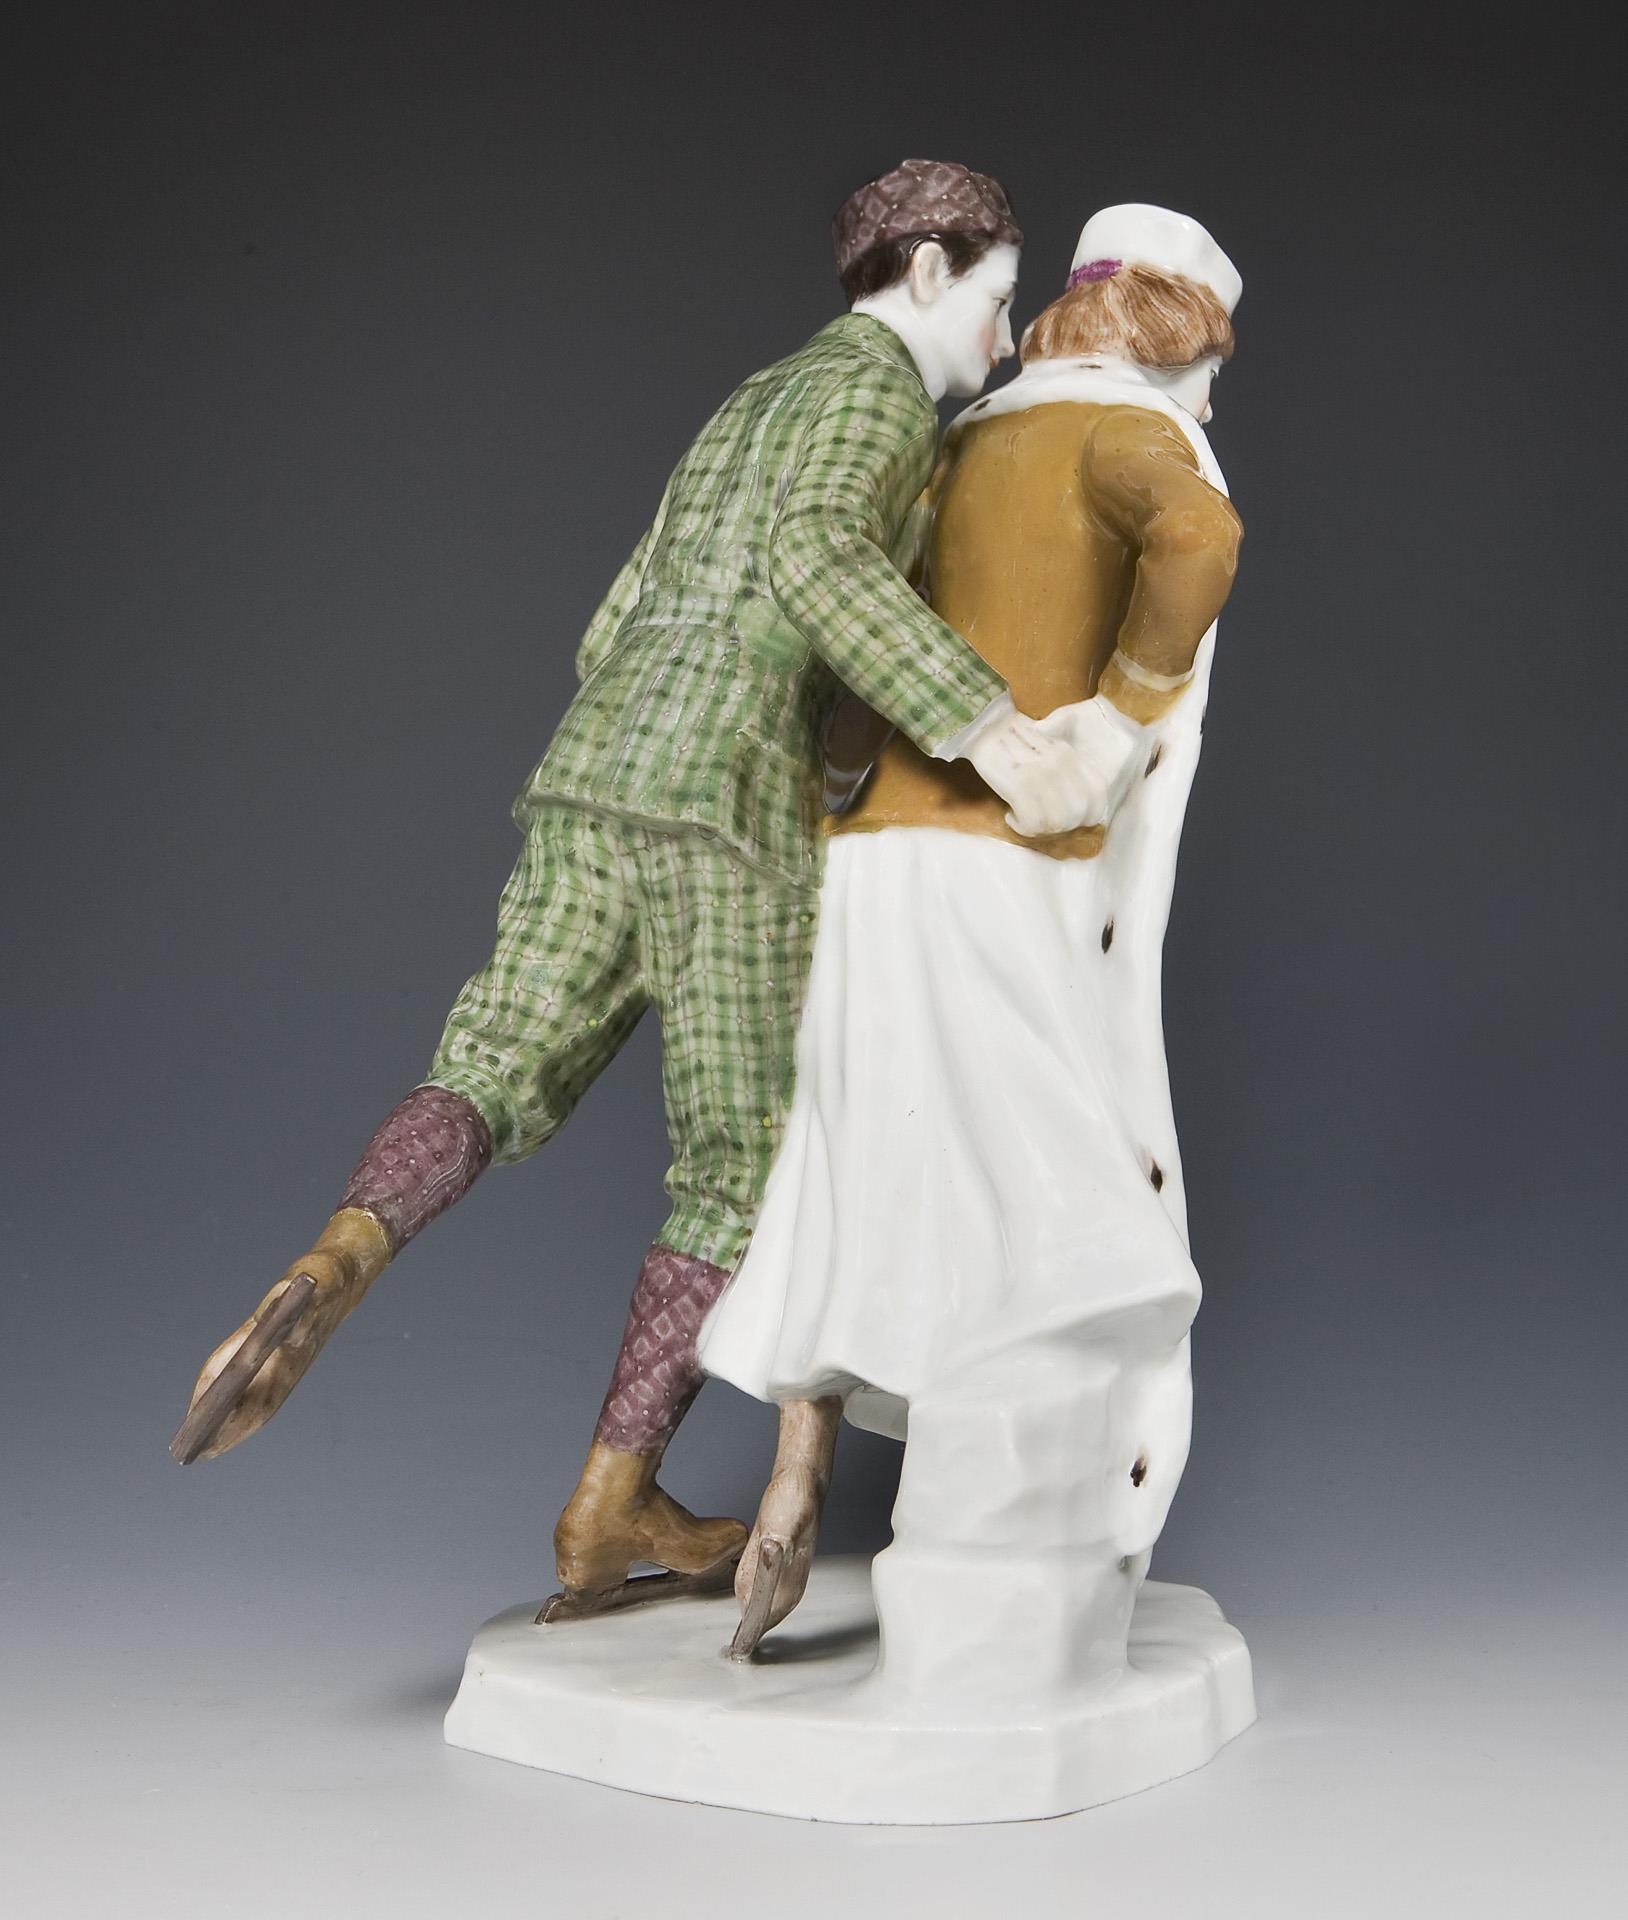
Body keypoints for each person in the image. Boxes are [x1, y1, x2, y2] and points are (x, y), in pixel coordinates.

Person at [173, 161, 1108, 1619]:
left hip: (595, 768)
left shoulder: (749, 400)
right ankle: (609, 1498)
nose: (1001, 336)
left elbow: (615, 617)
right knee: (744, 1169)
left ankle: (338, 1254)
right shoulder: (878, 400)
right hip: (724, 812)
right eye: (996, 299)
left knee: (488, 1061)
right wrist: (990, 729)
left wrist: (816, 716)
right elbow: (815, 556)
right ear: (929, 275)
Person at [699, 205, 1245, 1687]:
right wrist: (1114, 723)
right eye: (1212, 364)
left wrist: (842, 775)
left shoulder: (959, 439)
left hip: (870, 860)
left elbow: (858, 633)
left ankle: (797, 1483)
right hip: (1004, 866)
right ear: (1177, 337)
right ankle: (1003, 1563)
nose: (1212, 399)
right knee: (1038, 1200)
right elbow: (1200, 541)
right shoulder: (1125, 431)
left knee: (865, 1160)